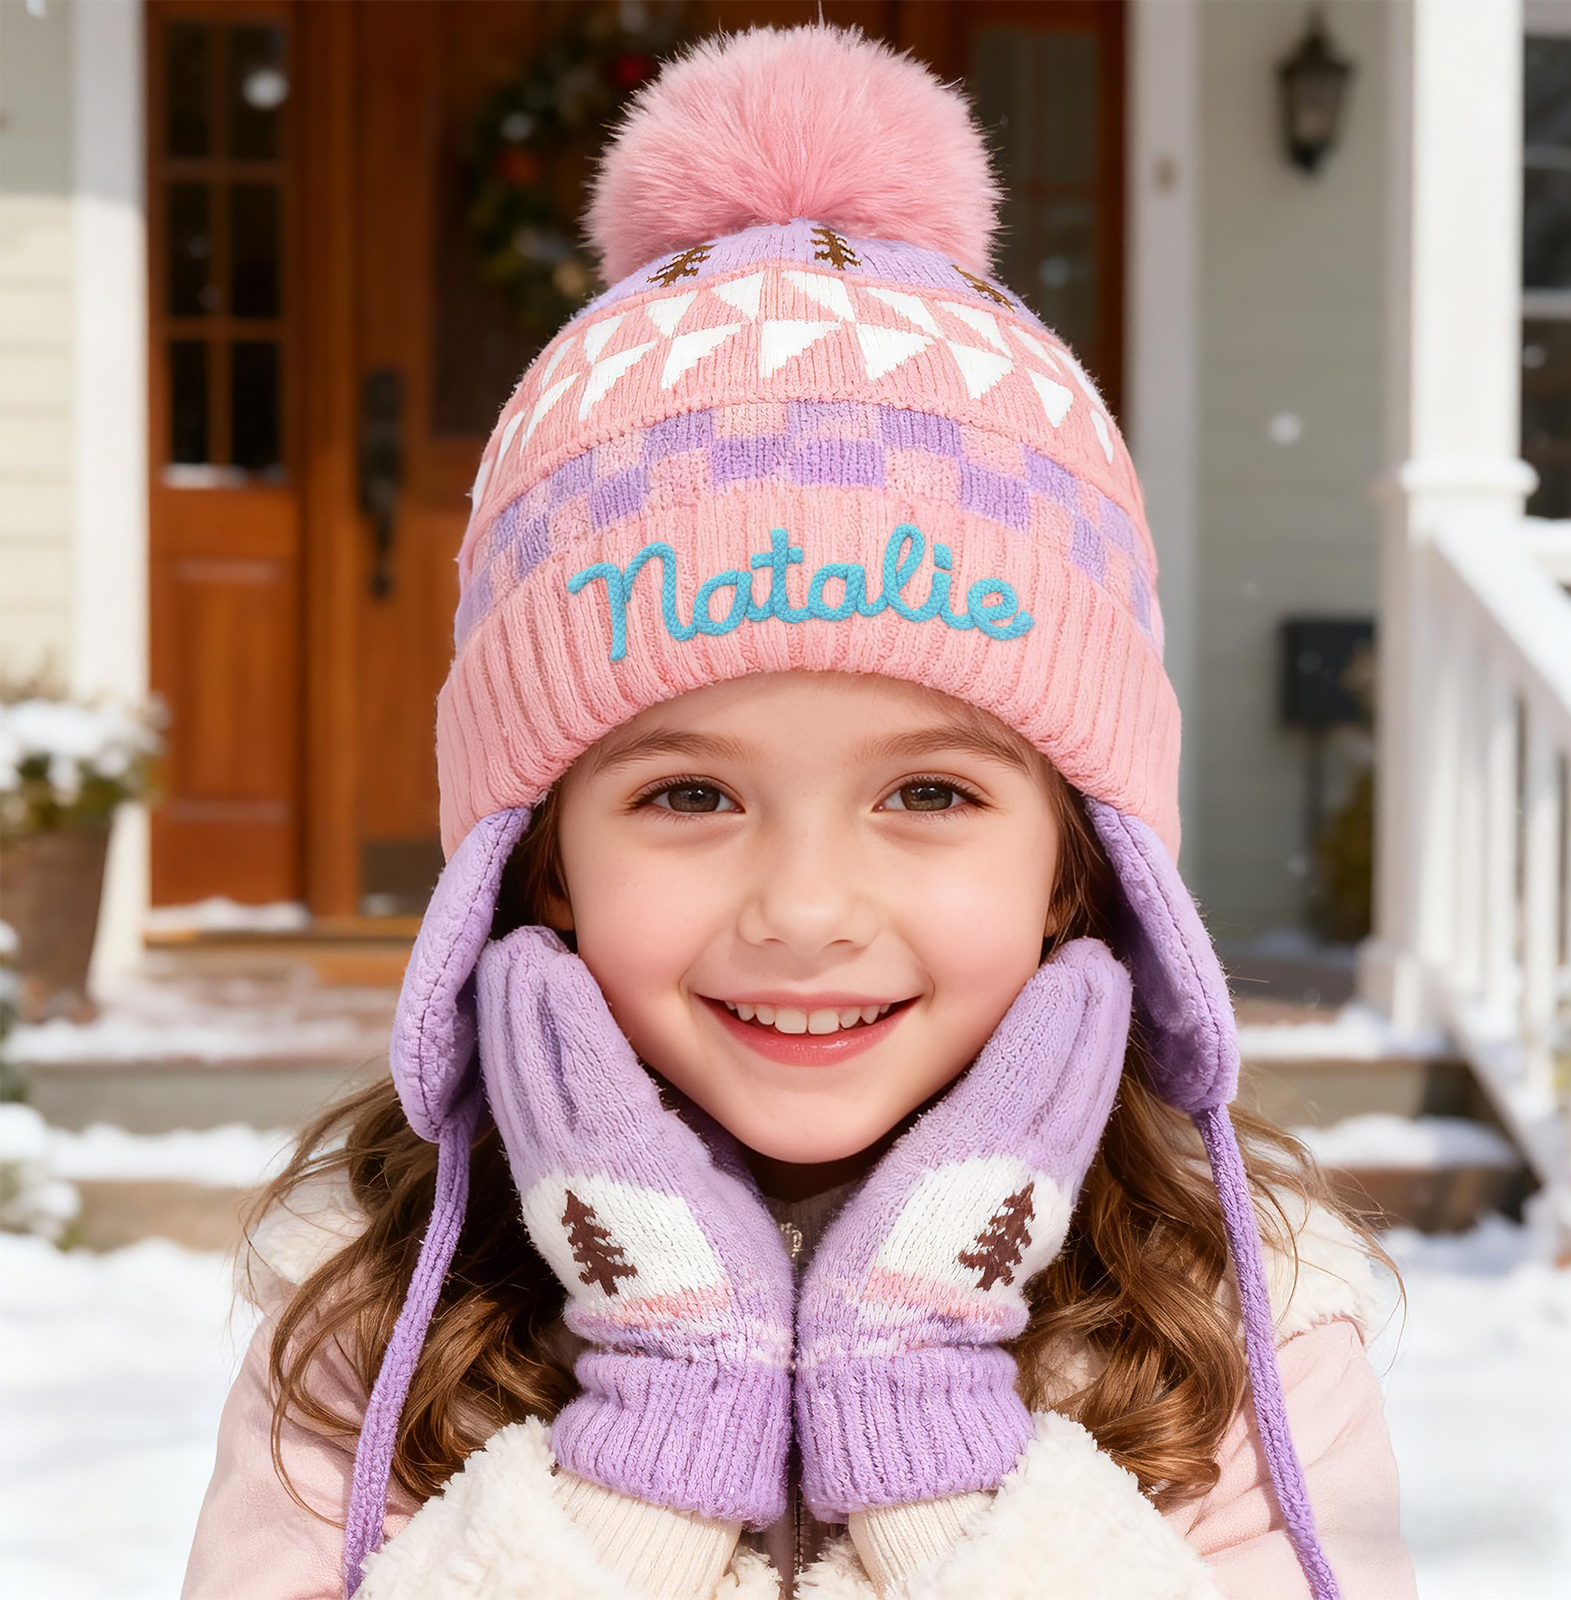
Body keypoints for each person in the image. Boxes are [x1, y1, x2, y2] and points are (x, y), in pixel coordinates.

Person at [181, 21, 1416, 1600]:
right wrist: (655, 1434)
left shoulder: (1240, 1327)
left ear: (1075, 862)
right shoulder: (375, 1319)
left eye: (931, 790)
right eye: (691, 791)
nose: (808, 907)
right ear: (541, 860)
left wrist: (924, 1420)